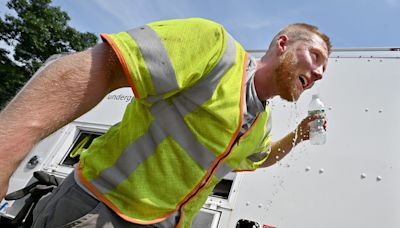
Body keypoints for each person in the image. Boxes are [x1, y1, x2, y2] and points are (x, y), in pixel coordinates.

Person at [0, 18, 331, 227]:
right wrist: (4, 155)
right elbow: (99, 68)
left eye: (323, 71)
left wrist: (300, 135)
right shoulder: (217, 50)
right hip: (97, 211)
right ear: (283, 44)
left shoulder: (262, 121)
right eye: (315, 57)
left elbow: (261, 158)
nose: (317, 73)